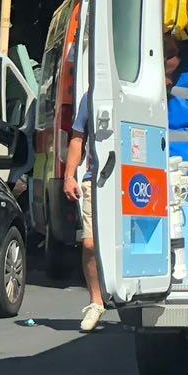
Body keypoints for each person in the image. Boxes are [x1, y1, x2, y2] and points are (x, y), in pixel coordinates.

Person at [62, 85, 105, 332]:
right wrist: (69, 176)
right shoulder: (90, 96)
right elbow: (78, 137)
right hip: (94, 178)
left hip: (132, 177)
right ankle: (95, 302)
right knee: (90, 243)